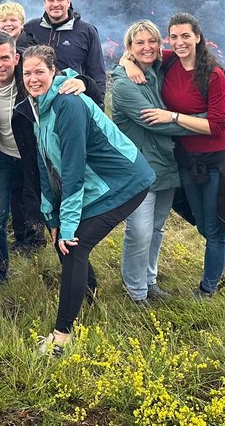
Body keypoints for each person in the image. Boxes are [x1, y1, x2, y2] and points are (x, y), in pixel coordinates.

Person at [121, 13, 225, 299]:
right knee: (203, 224)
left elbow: (217, 125)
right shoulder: (170, 60)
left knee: (213, 228)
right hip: (189, 158)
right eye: (173, 37)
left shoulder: (213, 74)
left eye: (185, 36)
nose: (179, 42)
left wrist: (173, 116)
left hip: (221, 158)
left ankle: (206, 290)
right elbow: (139, 52)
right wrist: (126, 64)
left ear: (198, 36)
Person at [24, 45, 153, 357]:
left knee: (74, 246)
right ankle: (88, 295)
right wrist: (53, 221)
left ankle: (61, 338)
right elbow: (45, 166)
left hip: (124, 181)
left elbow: (72, 170)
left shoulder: (67, 104)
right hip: (98, 186)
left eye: (39, 71)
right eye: (27, 73)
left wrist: (68, 227)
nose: (33, 78)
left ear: (53, 71)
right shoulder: (39, 106)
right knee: (65, 243)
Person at [0, 32, 90, 281]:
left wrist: (82, 80)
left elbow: (59, 76)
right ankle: (0, 280)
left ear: (16, 58)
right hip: (1, 156)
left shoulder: (29, 75)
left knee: (52, 216)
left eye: (5, 57)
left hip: (34, 156)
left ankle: (79, 278)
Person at [108, 21, 186, 305]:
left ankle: (149, 280)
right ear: (129, 48)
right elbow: (156, 122)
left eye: (151, 41)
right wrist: (204, 123)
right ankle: (136, 291)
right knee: (139, 230)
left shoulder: (158, 71)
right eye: (139, 43)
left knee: (156, 227)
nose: (147, 47)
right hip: (139, 168)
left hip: (165, 162)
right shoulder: (124, 83)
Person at [21, 0, 107, 106]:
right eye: (51, 0)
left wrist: (99, 106)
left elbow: (97, 73)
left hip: (72, 103)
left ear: (68, 2)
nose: (55, 4)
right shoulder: (31, 28)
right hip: (36, 104)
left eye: (60, 0)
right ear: (44, 3)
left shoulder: (87, 31)